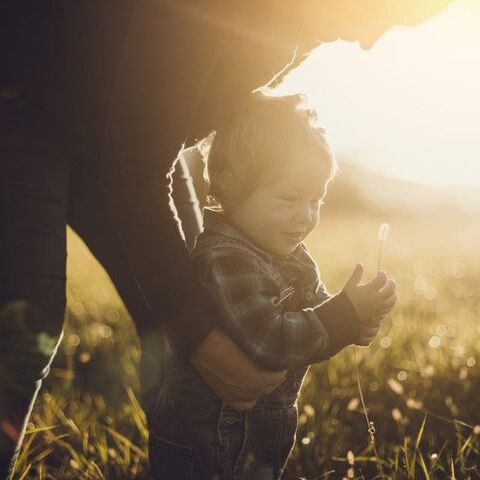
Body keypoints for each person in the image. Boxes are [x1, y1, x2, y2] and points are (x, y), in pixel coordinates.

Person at [0, 1, 453, 477]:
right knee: (24, 329)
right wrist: (200, 336)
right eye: (382, 17)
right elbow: (135, 170)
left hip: (126, 139)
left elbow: (177, 118)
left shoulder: (307, 24)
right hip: (27, 105)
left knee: (210, 309)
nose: (369, 40)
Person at [148, 93, 397, 479]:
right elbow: (270, 340)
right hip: (206, 445)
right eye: (288, 198)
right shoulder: (226, 259)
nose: (305, 215)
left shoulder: (291, 255)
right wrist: (343, 316)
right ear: (229, 188)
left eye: (316, 200)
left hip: (253, 440)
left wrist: (358, 319)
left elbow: (317, 316)